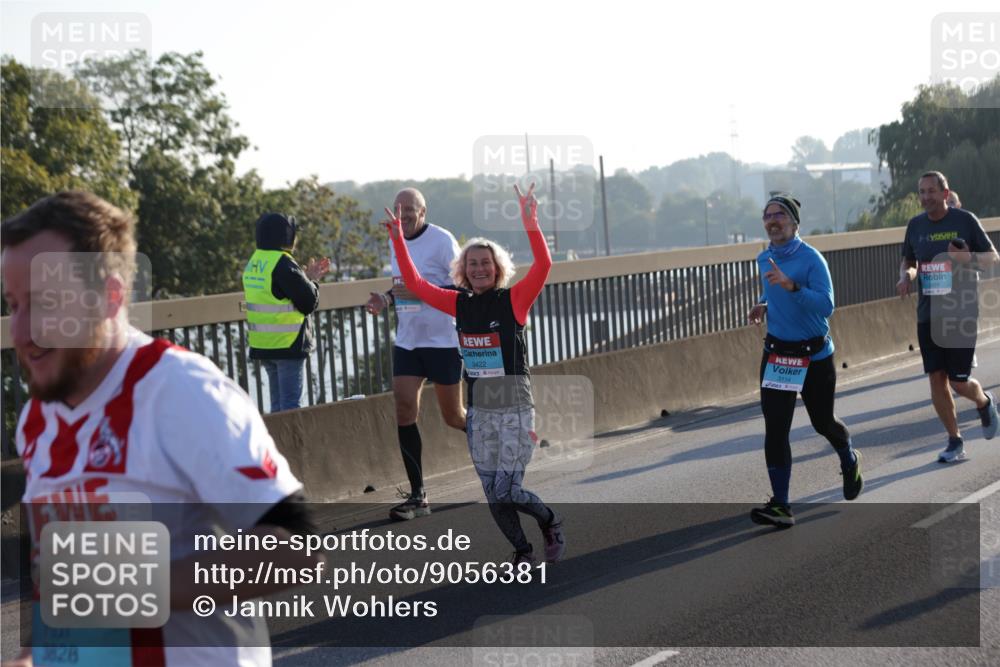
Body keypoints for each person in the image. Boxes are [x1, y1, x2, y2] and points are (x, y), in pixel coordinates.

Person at [2, 192, 323, 667]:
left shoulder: (180, 390)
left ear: (110, 298)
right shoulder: (37, 419)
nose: (21, 331)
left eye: (45, 302)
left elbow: (296, 550)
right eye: (13, 305)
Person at [385, 183, 565, 565]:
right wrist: (399, 240)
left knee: (509, 488)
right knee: (492, 492)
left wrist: (530, 221)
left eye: (485, 263)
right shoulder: (458, 304)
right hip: (481, 411)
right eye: (472, 264)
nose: (479, 269)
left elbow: (544, 266)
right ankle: (522, 551)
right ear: (462, 271)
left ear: (497, 268)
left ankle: (549, 521)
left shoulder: (514, 300)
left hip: (515, 406)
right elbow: (415, 284)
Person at [746, 194, 863, 527]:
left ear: (795, 223)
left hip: (814, 357)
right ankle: (781, 505)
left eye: (780, 215)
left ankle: (848, 457)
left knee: (822, 423)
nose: (773, 220)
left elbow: (826, 306)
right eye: (768, 215)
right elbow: (773, 290)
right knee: (775, 429)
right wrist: (764, 303)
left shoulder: (812, 259)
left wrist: (792, 286)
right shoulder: (764, 257)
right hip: (778, 355)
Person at [365, 188, 466, 521]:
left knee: (454, 417)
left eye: (409, 209)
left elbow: (462, 288)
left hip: (442, 340)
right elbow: (402, 285)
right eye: (398, 208)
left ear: (423, 212)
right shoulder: (395, 240)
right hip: (408, 341)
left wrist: (423, 291)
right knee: (404, 408)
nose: (403, 214)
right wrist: (385, 299)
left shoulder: (442, 241)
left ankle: (495, 445)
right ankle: (418, 496)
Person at [897, 171, 999, 462]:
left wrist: (968, 259)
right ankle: (955, 440)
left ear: (945, 193)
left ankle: (983, 401)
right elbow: (909, 260)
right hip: (928, 314)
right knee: (936, 378)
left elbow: (993, 258)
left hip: (961, 312)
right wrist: (906, 276)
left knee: (958, 382)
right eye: (922, 192)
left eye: (931, 191)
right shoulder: (915, 226)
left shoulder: (965, 220)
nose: (926, 197)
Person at [243, 212, 330, 412]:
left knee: (277, 408)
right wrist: (313, 282)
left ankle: (275, 435)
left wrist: (305, 278)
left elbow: (277, 291)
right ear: (287, 236)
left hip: (264, 344)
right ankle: (290, 436)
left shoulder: (255, 261)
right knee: (291, 408)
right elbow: (308, 302)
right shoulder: (283, 263)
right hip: (287, 344)